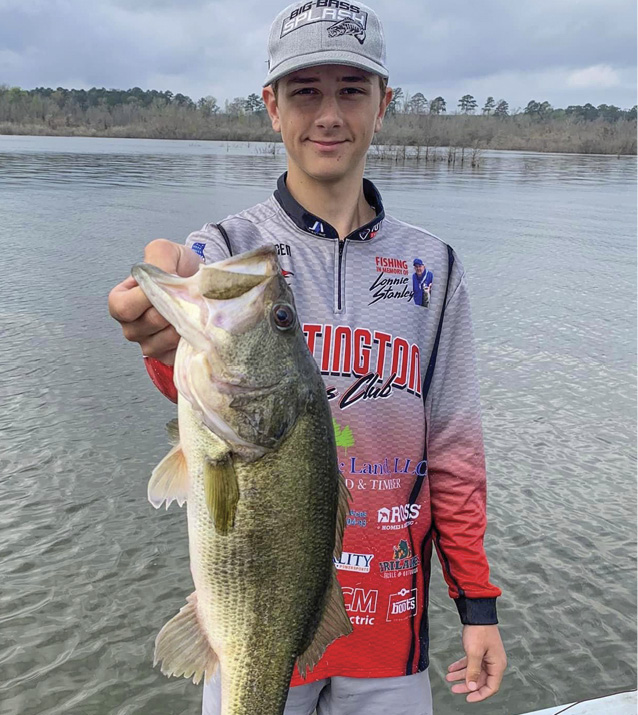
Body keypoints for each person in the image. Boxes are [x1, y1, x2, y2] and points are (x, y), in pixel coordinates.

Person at [108, 2, 507, 713]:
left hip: (390, 635)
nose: (328, 114)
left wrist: (477, 603)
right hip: (249, 621)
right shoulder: (228, 252)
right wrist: (161, 335)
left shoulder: (434, 268)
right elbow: (196, 382)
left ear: (383, 104)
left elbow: (453, 449)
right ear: (272, 106)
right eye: (304, 92)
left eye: (351, 90)